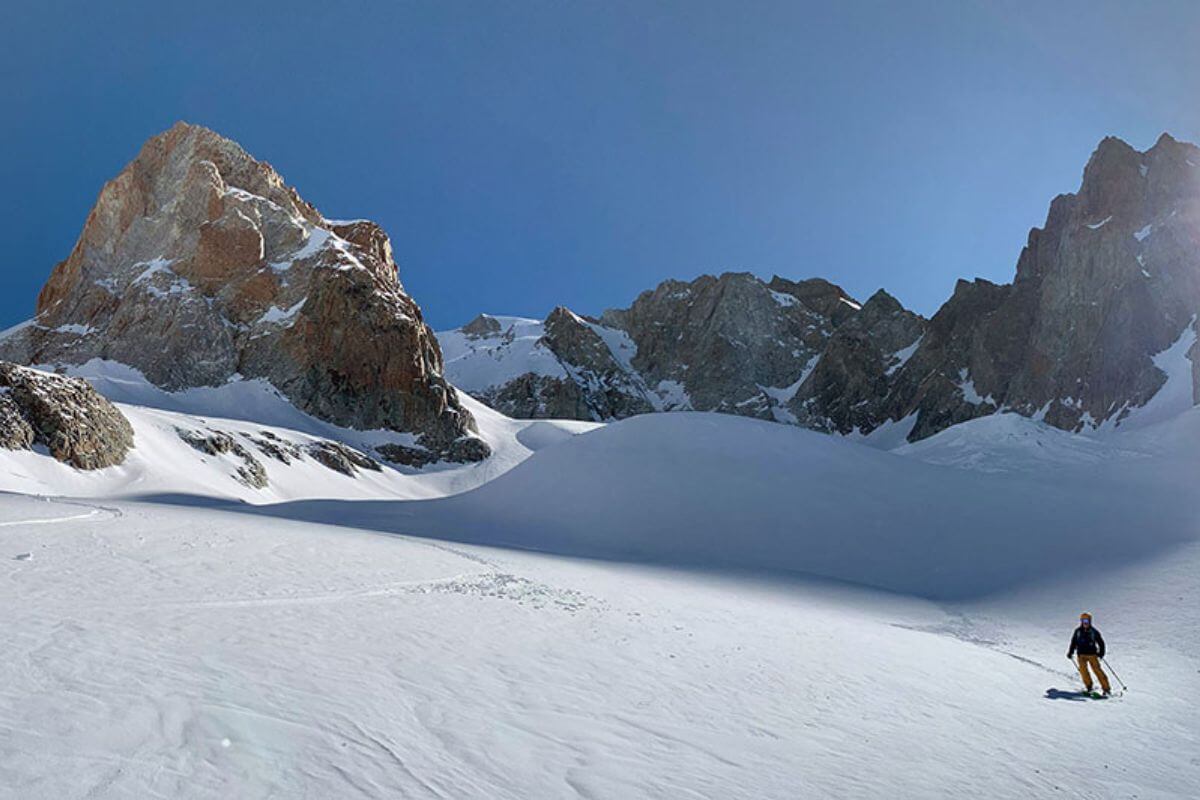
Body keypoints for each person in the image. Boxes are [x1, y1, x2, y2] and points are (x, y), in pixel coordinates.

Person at [1067, 612, 1110, 695]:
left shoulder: (1093, 631)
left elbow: (1101, 642)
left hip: (1092, 654)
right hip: (1081, 655)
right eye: (1083, 620)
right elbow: (1073, 642)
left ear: (1090, 621)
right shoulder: (1078, 631)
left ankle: (1106, 688)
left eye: (1086, 621)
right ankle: (1089, 686)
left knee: (1097, 670)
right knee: (1083, 671)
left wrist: (1101, 653)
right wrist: (1070, 652)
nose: (1085, 623)